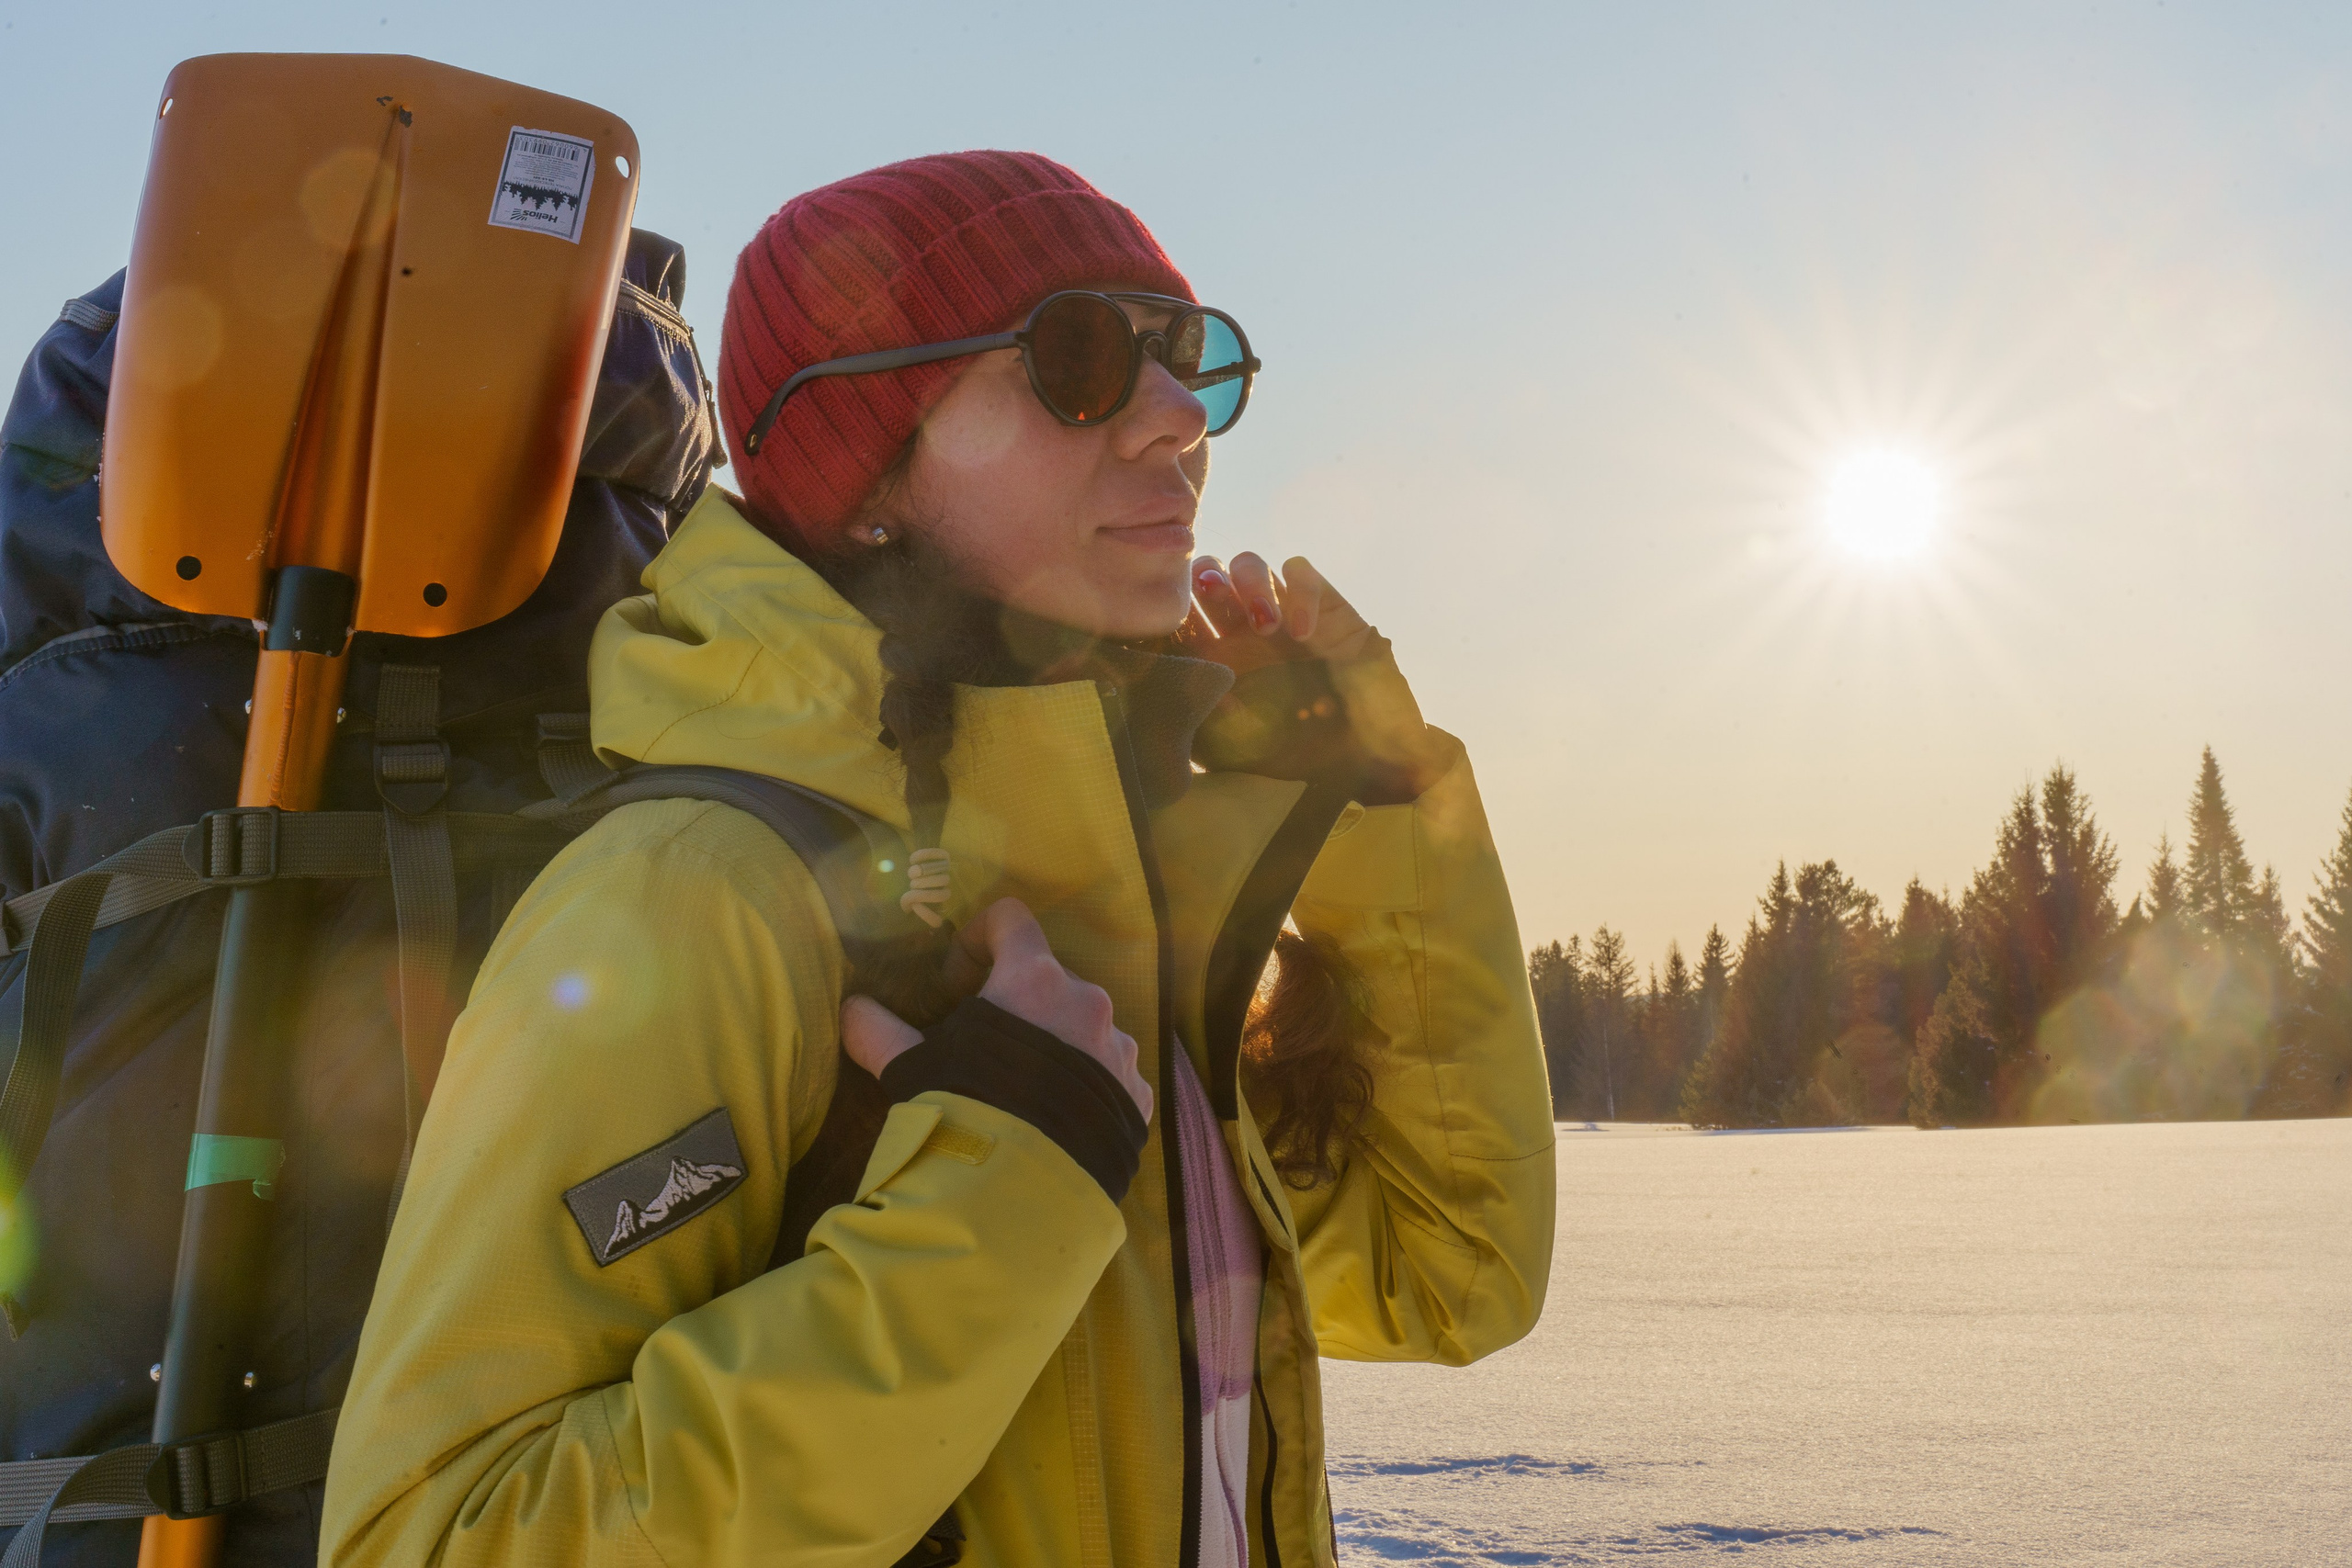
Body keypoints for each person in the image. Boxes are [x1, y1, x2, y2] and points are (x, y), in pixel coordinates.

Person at [321, 150, 1555, 1568]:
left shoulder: (1103, 909)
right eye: (1079, 357)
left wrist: (1371, 808)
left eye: (1189, 358)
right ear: (868, 470)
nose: (1172, 421)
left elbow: (1445, 1273)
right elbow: (439, 1536)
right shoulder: (698, 893)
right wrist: (990, 1208)